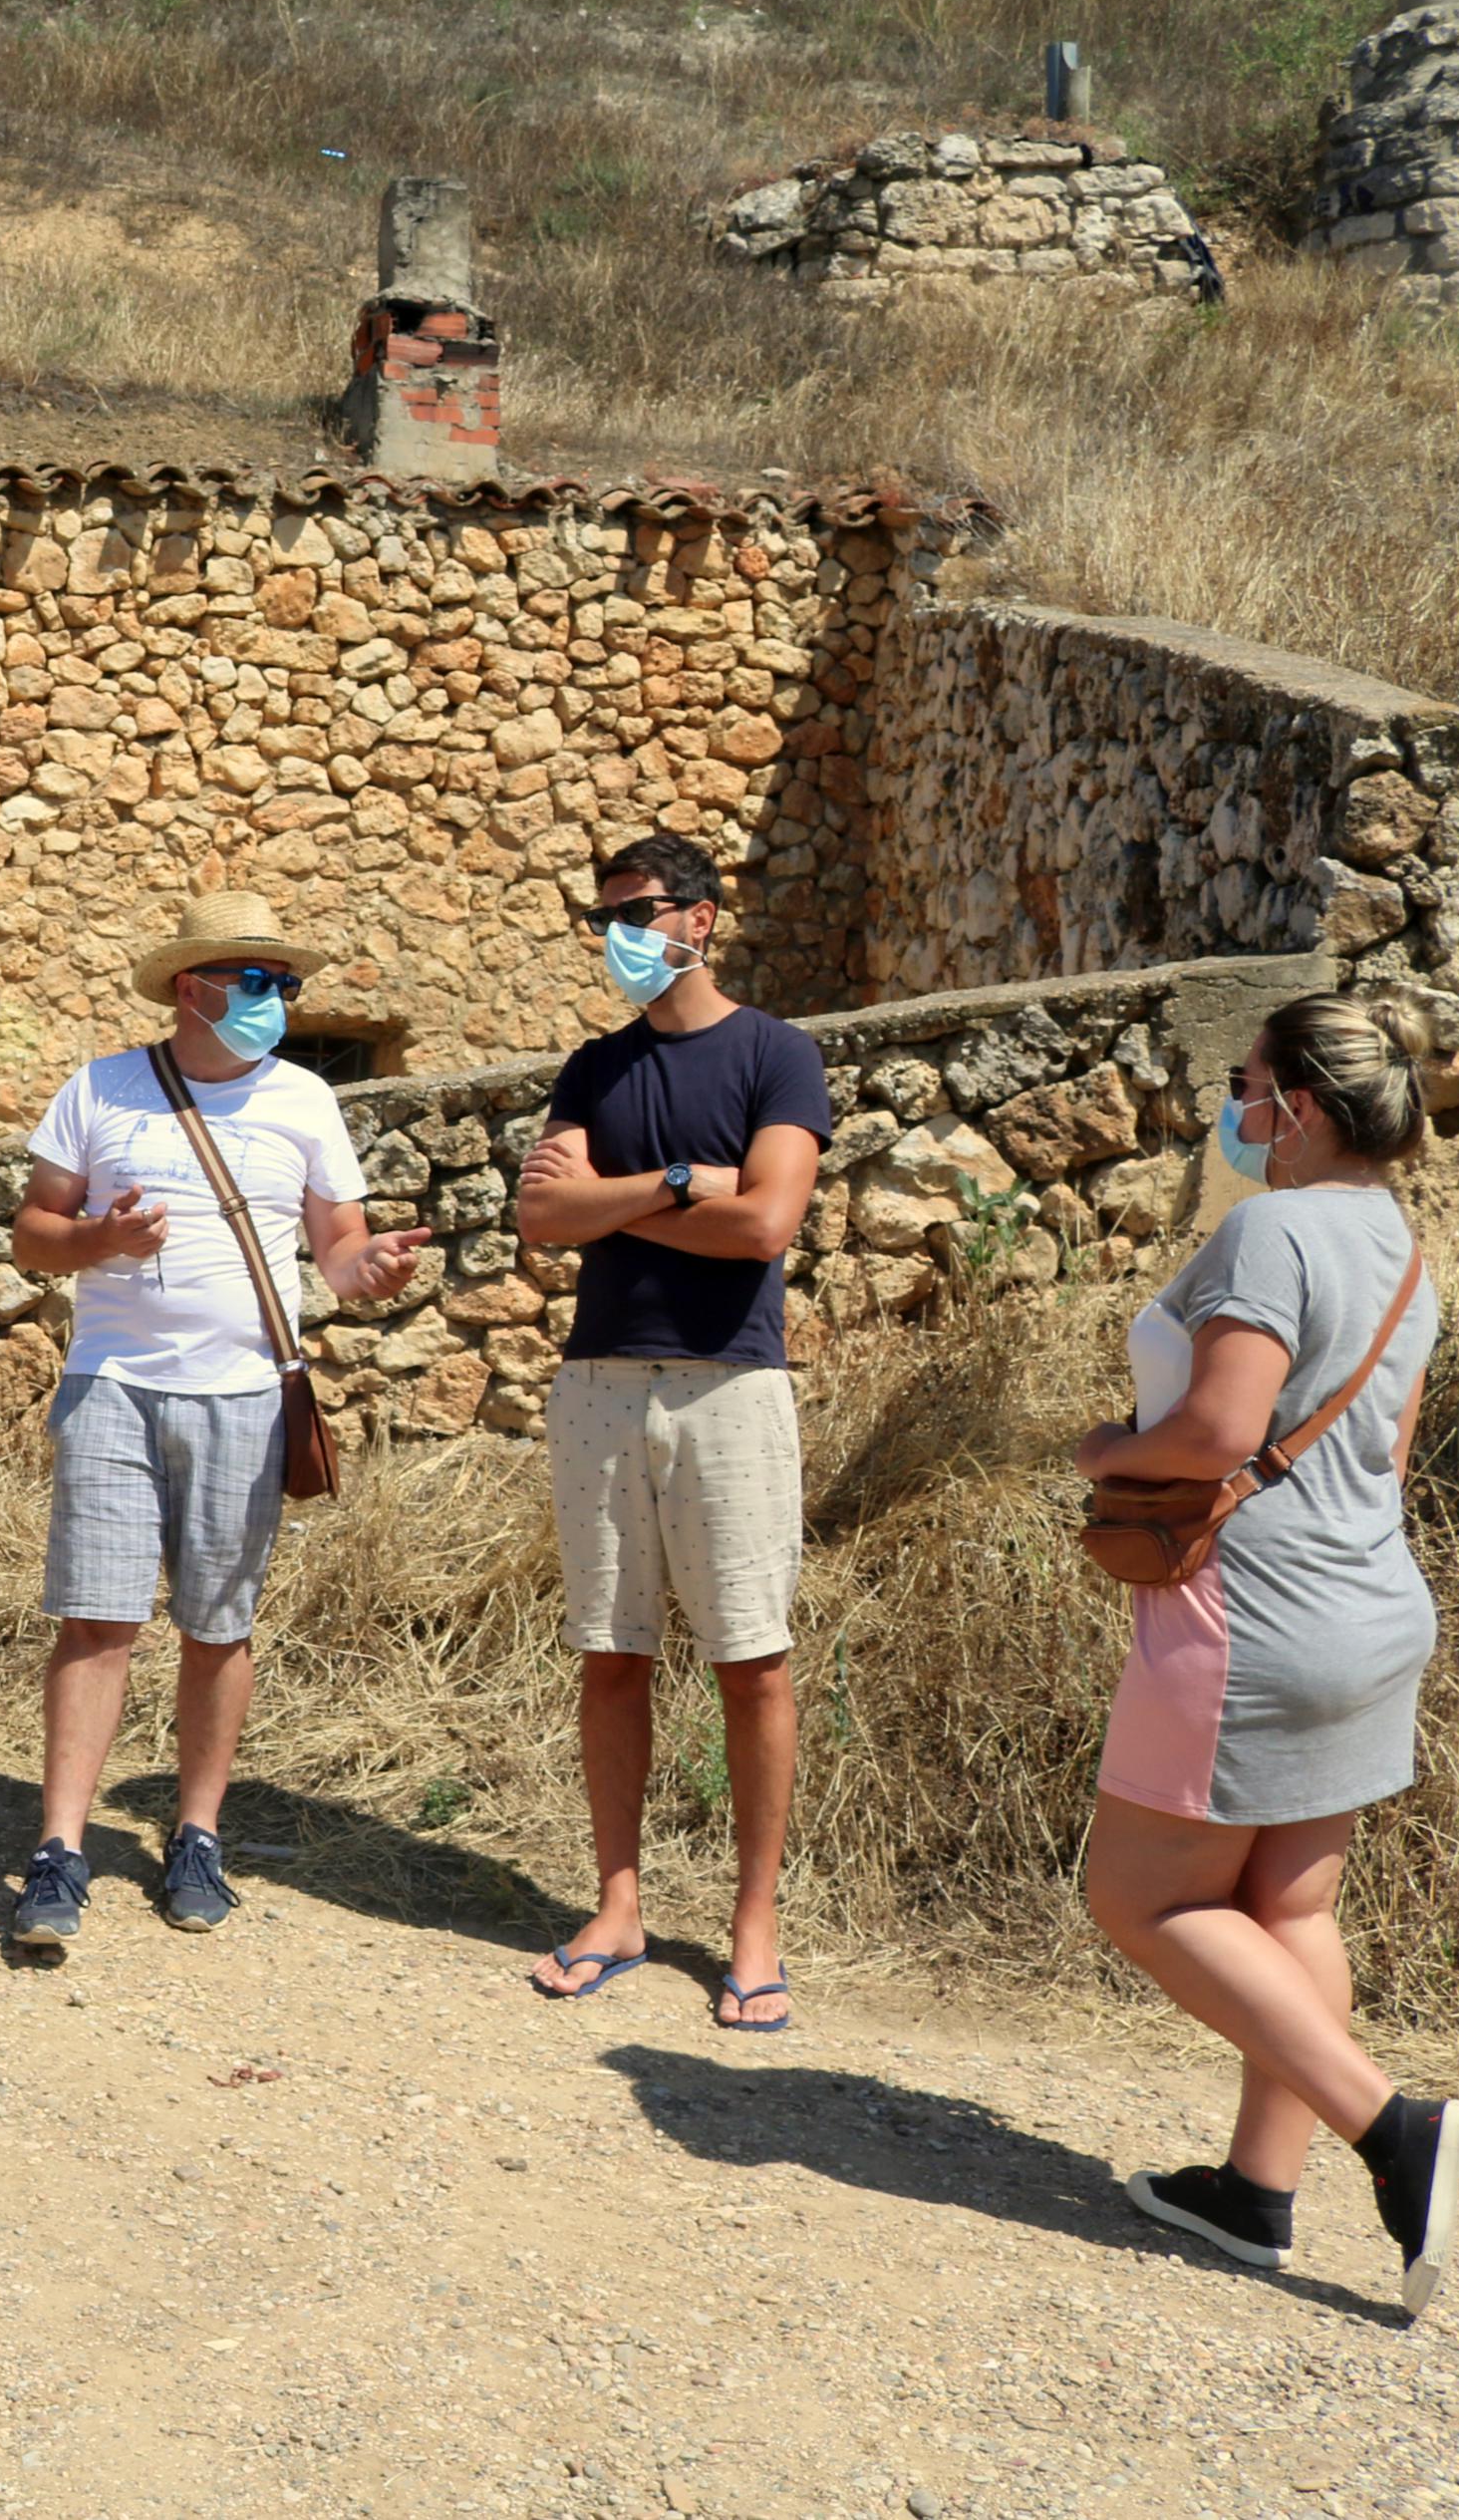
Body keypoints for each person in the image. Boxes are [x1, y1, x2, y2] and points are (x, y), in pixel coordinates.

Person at [1080, 992, 1459, 2317]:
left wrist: (1097, 1453)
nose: (1231, 1109)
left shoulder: (1267, 1226)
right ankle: (1253, 2188)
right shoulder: (1396, 1246)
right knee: (1288, 1910)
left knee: (1136, 1895)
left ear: (1295, 1104)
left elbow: (1210, 1431)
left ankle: (1388, 2128)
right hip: (1368, 1608)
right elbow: (1385, 1454)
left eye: (1243, 1084)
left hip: (1245, 1621)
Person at [0, 894, 431, 1949]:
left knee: (217, 1624)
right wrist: (98, 1240)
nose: (275, 1001)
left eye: (284, 985)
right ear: (190, 987)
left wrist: (363, 1270)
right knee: (96, 1617)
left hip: (244, 1393)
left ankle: (195, 1835)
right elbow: (30, 1235)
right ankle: (59, 1849)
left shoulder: (305, 1102)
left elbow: (336, 1247)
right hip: (112, 1383)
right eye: (254, 982)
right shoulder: (98, 1090)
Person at [513, 835, 832, 2029]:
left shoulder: (774, 1053)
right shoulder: (593, 1066)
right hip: (597, 1378)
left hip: (726, 1388)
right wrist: (678, 1184)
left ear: (701, 918)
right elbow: (543, 1216)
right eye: (600, 918)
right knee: (609, 1651)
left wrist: (632, 1198)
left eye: (636, 913)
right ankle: (617, 1904)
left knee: (749, 1659)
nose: (617, 937)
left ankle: (753, 1926)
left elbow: (766, 1226)